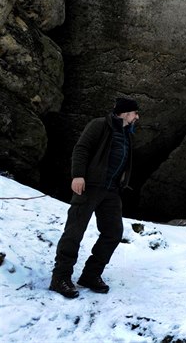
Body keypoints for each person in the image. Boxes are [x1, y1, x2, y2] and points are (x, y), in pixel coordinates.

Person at [49, 98, 140, 298]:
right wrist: (78, 175)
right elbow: (81, 148)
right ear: (124, 113)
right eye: (134, 113)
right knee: (74, 232)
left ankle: (90, 275)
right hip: (89, 187)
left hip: (111, 191)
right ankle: (60, 278)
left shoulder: (126, 134)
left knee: (113, 232)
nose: (137, 117)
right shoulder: (99, 125)